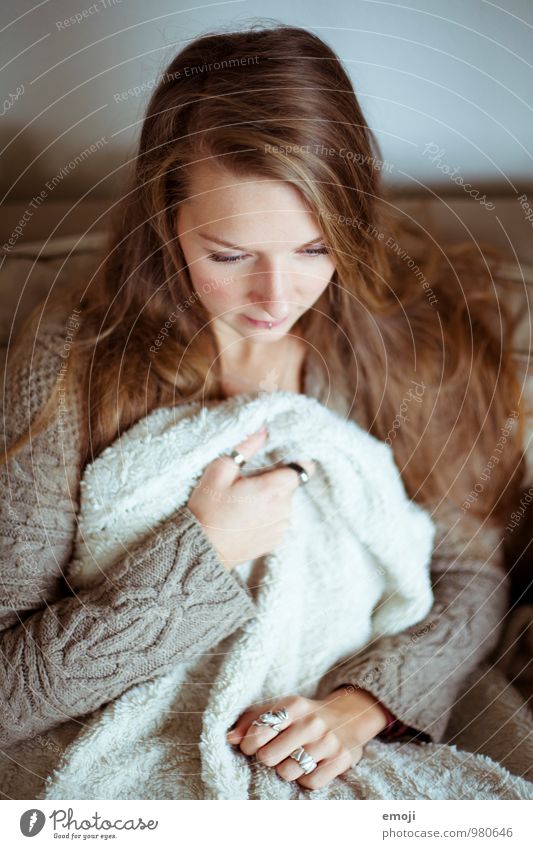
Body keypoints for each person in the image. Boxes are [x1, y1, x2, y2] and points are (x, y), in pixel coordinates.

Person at [0, 23, 527, 796]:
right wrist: (196, 560)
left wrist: (359, 706)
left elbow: (468, 577)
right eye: (230, 254)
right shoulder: (64, 372)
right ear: (165, 218)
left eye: (313, 249)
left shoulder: (409, 352)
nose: (275, 298)